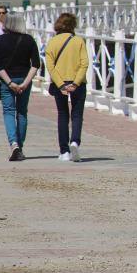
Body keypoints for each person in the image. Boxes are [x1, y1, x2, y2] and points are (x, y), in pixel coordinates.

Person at [0, 13, 40, 161]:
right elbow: (36, 64)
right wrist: (25, 83)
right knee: (22, 113)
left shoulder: (0, 40)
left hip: (7, 81)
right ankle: (20, 146)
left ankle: (14, 145)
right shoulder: (29, 40)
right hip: (24, 80)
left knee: (8, 111)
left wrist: (9, 83)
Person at [45, 13, 89, 162]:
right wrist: (76, 83)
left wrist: (61, 84)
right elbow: (85, 63)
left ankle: (64, 151)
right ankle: (75, 141)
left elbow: (50, 66)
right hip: (78, 83)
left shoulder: (52, 42)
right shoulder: (78, 41)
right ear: (73, 25)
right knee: (77, 114)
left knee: (63, 114)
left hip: (60, 83)